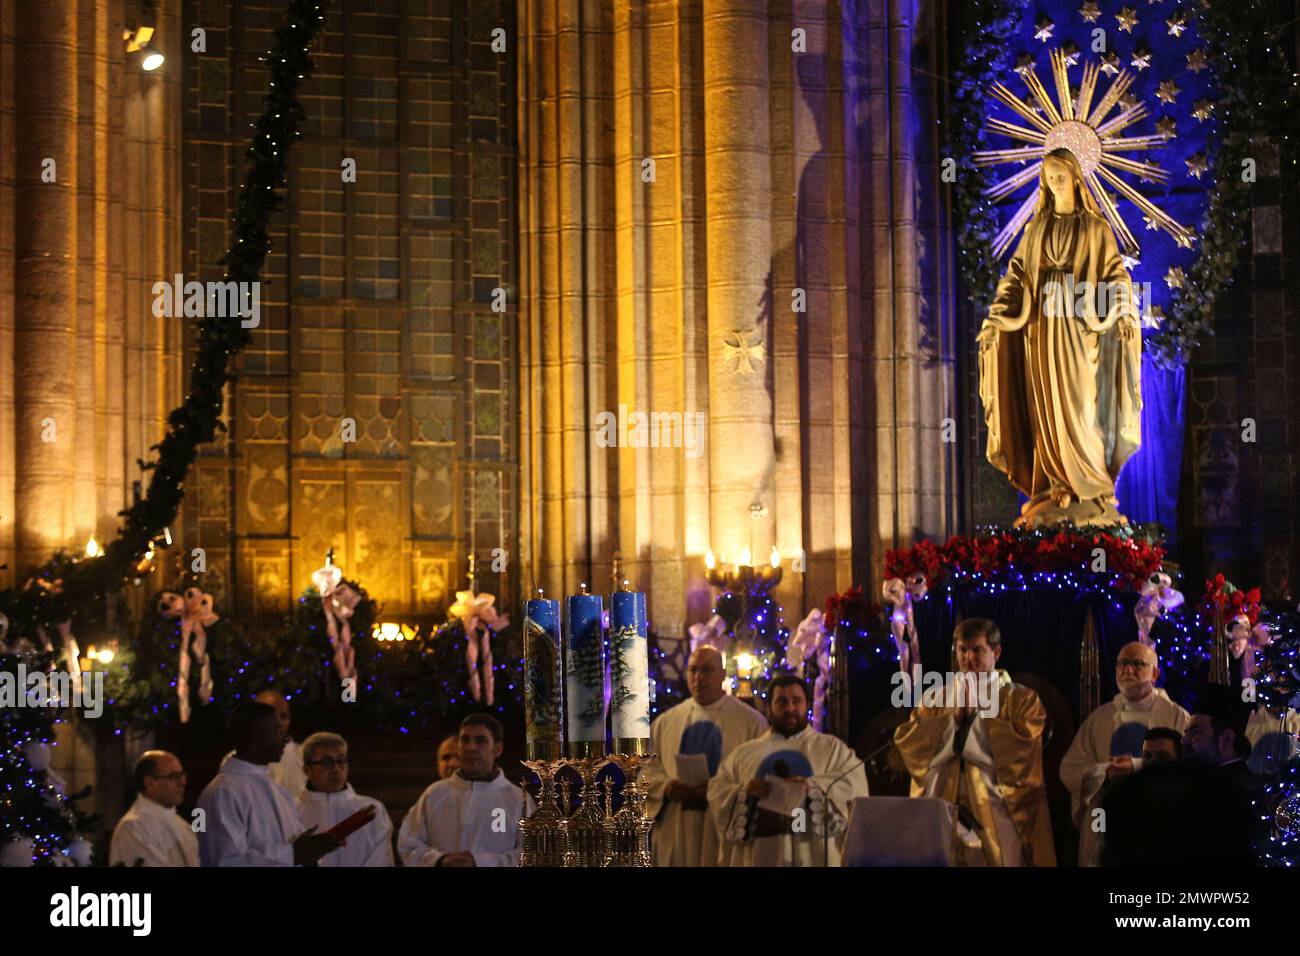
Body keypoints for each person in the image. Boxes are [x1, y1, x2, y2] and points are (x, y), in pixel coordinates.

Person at [977, 147, 1141, 527]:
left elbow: (1116, 275)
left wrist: (1122, 311)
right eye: (1048, 179)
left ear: (1075, 181)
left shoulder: (1095, 229)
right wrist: (997, 318)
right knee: (1045, 411)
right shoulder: (1036, 230)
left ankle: (1092, 488)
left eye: (1060, 178)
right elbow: (1016, 276)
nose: (1054, 184)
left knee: (1083, 409)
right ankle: (1053, 487)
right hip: (1041, 332)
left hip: (1080, 332)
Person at [894, 618, 1055, 866]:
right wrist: (951, 724)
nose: (968, 657)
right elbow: (911, 744)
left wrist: (972, 724)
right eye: (962, 649)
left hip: (996, 808)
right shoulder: (936, 698)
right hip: (942, 804)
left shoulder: (1021, 699)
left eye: (977, 649)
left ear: (996, 652)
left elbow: (1022, 753)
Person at [709, 675, 868, 866]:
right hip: (761, 854)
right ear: (768, 708)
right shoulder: (744, 753)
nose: (790, 709)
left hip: (811, 852)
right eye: (781, 702)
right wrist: (744, 791)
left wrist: (814, 787)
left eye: (796, 701)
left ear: (807, 705)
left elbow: (855, 785)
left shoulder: (832, 748)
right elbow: (717, 791)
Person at [1059, 641, 1189, 865]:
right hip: (1105, 816)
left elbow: (1188, 766)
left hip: (1158, 814)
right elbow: (1070, 768)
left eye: (1137, 664)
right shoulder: (1100, 717)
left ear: (1155, 673)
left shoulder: (1176, 716)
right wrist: (1104, 771)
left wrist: (1137, 766)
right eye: (1122, 664)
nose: (1128, 670)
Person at [642, 645, 769, 866]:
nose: (699, 677)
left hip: (722, 826)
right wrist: (666, 787)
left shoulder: (751, 722)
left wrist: (724, 790)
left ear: (723, 674)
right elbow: (645, 770)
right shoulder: (665, 722)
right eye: (693, 670)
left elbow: (761, 774)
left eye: (707, 670)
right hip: (677, 824)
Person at [196, 702, 340, 867]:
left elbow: (293, 849)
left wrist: (310, 854)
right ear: (256, 736)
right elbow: (223, 862)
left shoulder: (277, 790)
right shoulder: (222, 793)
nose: (285, 738)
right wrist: (294, 854)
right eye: (277, 730)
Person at [398, 713, 532, 866]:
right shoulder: (434, 794)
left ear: (498, 749)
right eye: (465, 740)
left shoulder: (518, 799)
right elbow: (408, 844)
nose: (470, 748)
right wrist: (439, 860)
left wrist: (480, 862)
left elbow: (530, 854)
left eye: (480, 740)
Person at [295, 732, 394, 867]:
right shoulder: (292, 811)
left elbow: (381, 859)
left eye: (341, 761)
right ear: (307, 769)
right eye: (326, 762)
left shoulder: (371, 809)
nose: (335, 769)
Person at [109, 750, 199, 867]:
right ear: (150, 783)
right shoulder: (133, 828)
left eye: (182, 775)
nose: (183, 782)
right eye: (174, 777)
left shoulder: (184, 826)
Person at [220, 689, 306, 798]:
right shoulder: (236, 762)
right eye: (271, 719)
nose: (279, 723)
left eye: (284, 716)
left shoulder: (304, 755)